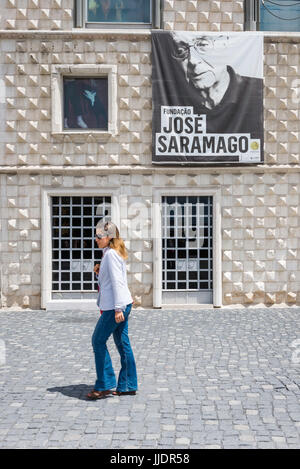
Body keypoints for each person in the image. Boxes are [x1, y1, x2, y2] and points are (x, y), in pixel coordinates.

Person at [152, 31, 263, 138]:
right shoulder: (171, 98)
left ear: (224, 45)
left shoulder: (257, 93)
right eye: (180, 51)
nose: (193, 61)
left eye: (203, 45)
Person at [86, 220, 137, 400]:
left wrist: (117, 309)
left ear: (109, 237)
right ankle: (128, 385)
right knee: (122, 344)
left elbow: (118, 283)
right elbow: (113, 279)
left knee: (98, 341)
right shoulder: (111, 253)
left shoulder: (110, 255)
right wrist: (100, 273)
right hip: (122, 303)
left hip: (115, 306)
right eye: (96, 235)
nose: (96, 239)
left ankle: (104, 385)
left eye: (99, 236)